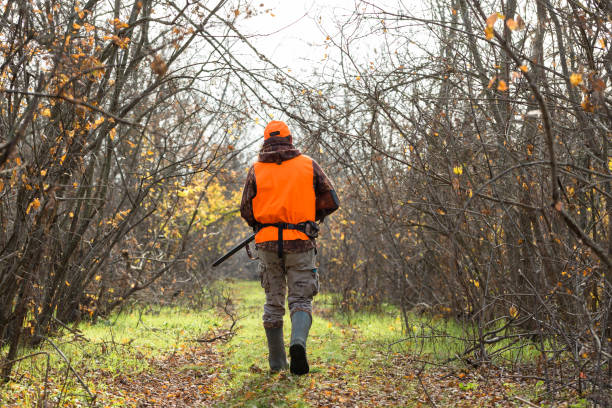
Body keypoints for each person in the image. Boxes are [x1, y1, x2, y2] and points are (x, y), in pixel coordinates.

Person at [240, 120, 339, 375]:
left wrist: (262, 224)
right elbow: (331, 200)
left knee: (273, 301)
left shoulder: (255, 169)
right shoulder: (308, 164)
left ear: (265, 141)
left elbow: (246, 210)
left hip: (267, 243)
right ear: (290, 139)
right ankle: (298, 343)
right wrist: (309, 218)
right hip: (300, 242)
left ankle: (277, 363)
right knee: (300, 298)